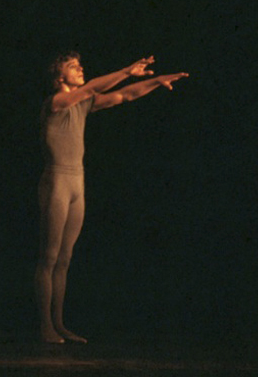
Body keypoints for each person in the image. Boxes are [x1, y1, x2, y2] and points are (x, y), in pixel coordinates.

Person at [35, 51, 188, 344]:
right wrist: (127, 70)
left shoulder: (82, 104)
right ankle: (45, 327)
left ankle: (59, 324)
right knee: (49, 257)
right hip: (57, 182)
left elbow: (124, 96)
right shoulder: (56, 102)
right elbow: (91, 88)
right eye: (73, 66)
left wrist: (156, 81)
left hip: (77, 183)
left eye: (80, 65)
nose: (80, 68)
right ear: (59, 77)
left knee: (65, 259)